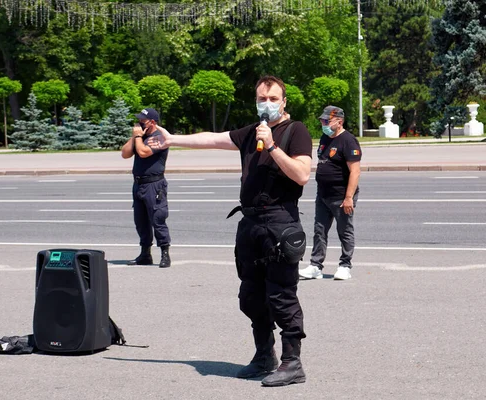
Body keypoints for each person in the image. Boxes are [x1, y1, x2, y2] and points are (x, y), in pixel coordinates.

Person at [148, 76, 312, 387]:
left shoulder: (296, 131)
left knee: (281, 297)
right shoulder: (251, 133)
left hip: (280, 223)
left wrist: (273, 145)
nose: (266, 103)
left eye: (273, 98)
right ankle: (265, 356)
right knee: (251, 296)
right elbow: (212, 138)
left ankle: (293, 362)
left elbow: (302, 174)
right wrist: (172, 139)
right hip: (250, 225)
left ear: (284, 101)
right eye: (262, 98)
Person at [298, 106, 362, 281]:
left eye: (326, 121)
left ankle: (345, 266)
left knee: (344, 231)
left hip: (342, 196)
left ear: (339, 121)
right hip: (323, 195)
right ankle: (316, 266)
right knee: (319, 230)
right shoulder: (326, 138)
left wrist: (349, 197)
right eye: (322, 120)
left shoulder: (348, 141)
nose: (323, 124)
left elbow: (355, 172)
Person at [121, 108, 171, 268]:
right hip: (138, 184)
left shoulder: (159, 138)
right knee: (141, 221)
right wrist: (135, 136)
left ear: (153, 122)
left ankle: (165, 253)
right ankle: (145, 254)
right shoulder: (140, 137)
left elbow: (143, 153)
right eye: (139, 121)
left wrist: (137, 137)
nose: (140, 123)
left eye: (143, 121)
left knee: (157, 219)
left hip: (154, 185)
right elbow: (125, 154)